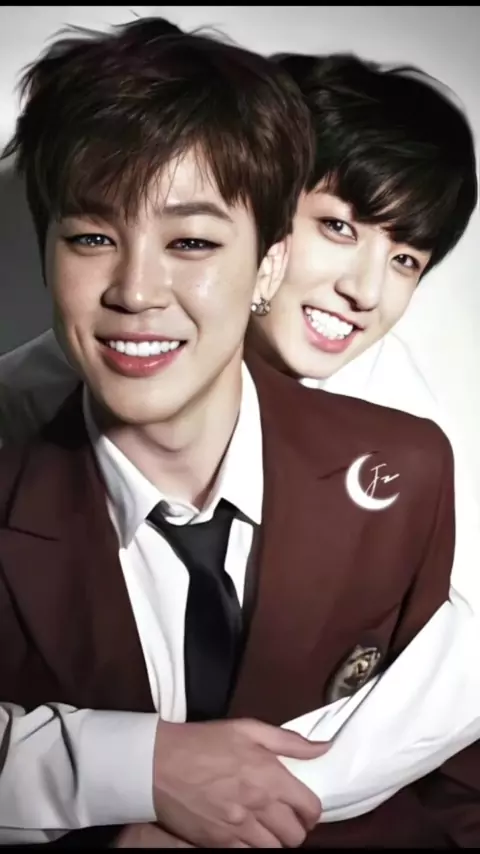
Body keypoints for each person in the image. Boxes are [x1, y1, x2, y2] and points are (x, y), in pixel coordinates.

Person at [0, 17, 478, 849]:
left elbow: (453, 689)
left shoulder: (402, 443)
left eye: (408, 257)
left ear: (263, 255)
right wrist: (135, 773)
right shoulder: (33, 406)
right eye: (340, 226)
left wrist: (234, 807)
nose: (365, 289)